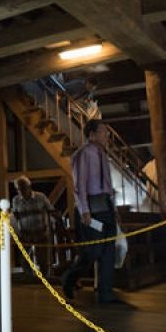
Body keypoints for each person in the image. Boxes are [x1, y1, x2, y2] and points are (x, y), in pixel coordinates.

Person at [61, 119, 125, 305]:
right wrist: (84, 211)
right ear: (92, 134)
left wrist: (114, 208)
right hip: (92, 208)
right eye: (104, 132)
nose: (107, 135)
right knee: (93, 251)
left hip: (105, 206)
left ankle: (106, 294)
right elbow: (79, 184)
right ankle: (69, 278)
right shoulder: (84, 153)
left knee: (108, 252)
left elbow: (107, 186)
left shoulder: (103, 154)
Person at [11, 176, 54, 277]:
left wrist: (55, 223)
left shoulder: (41, 197)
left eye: (23, 188)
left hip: (41, 233)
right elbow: (15, 217)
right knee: (24, 260)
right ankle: (31, 279)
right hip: (25, 235)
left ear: (29, 187)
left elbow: (51, 211)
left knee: (43, 261)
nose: (20, 191)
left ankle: (45, 282)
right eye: (18, 189)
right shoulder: (16, 200)